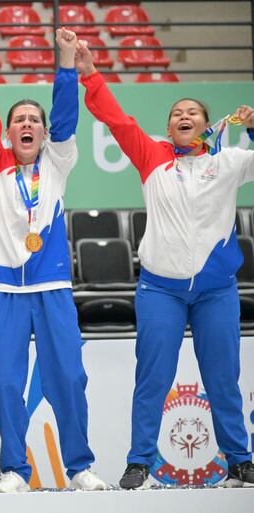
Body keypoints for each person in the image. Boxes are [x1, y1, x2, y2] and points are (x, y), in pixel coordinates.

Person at [76, 41, 254, 490]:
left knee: (223, 380)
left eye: (193, 112)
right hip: (160, 291)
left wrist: (253, 131)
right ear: (169, 126)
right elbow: (116, 118)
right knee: (152, 379)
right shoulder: (151, 155)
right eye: (177, 113)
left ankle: (239, 460)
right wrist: (91, 73)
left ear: (207, 125)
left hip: (216, 291)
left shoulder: (228, 162)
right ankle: (139, 461)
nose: (185, 116)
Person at [0, 29, 106, 493]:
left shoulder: (57, 161)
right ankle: (12, 469)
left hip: (52, 289)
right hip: (5, 291)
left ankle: (80, 466)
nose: (26, 124)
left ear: (44, 132)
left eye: (34, 119)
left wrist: (66, 61)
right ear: (9, 134)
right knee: (7, 384)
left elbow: (67, 114)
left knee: (68, 377)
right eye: (18, 120)